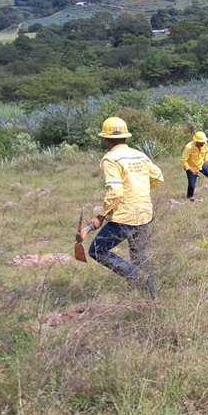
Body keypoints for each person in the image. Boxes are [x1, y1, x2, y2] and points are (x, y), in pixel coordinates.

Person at [86, 117, 164, 298]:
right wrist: (139, 190)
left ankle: (136, 275)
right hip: (144, 213)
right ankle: (152, 299)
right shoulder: (140, 155)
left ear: (106, 139)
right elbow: (159, 177)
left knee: (97, 250)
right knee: (139, 256)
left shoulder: (110, 159)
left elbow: (115, 192)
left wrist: (100, 216)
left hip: (125, 216)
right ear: (125, 137)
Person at [181, 131, 208, 200]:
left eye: (204, 141)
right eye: (202, 142)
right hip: (191, 167)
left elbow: (206, 153)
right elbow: (183, 160)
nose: (203, 143)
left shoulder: (205, 144)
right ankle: (190, 198)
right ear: (197, 141)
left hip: (201, 163)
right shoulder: (189, 147)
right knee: (192, 185)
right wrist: (189, 170)